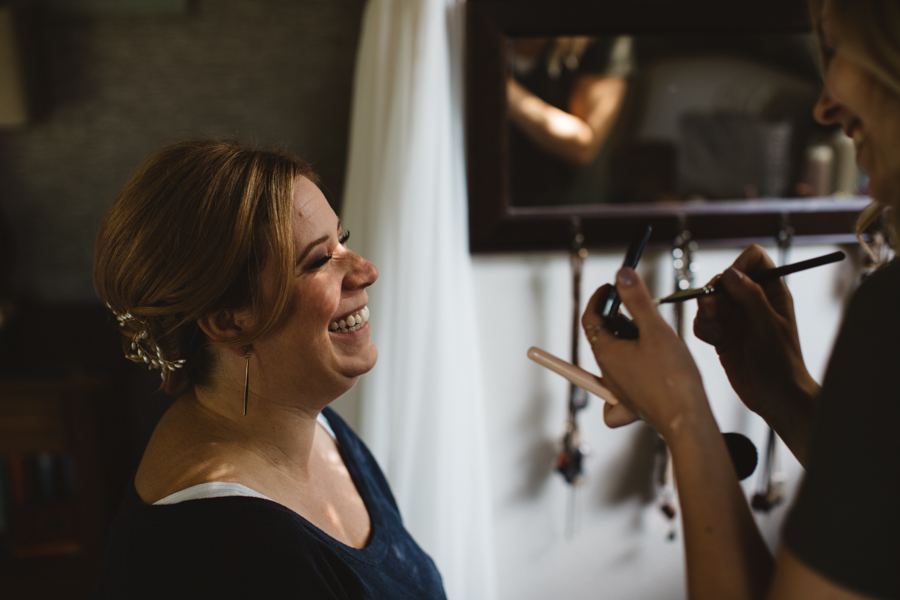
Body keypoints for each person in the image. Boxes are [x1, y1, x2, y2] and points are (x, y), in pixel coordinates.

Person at [581, 1, 900, 599]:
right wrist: (789, 395)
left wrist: (684, 417)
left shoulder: (891, 319)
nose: (824, 105)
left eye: (838, 52)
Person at [92, 139, 446, 599]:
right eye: (320, 259)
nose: (366, 270)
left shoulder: (316, 426)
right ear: (229, 322)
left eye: (345, 240)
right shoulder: (232, 553)